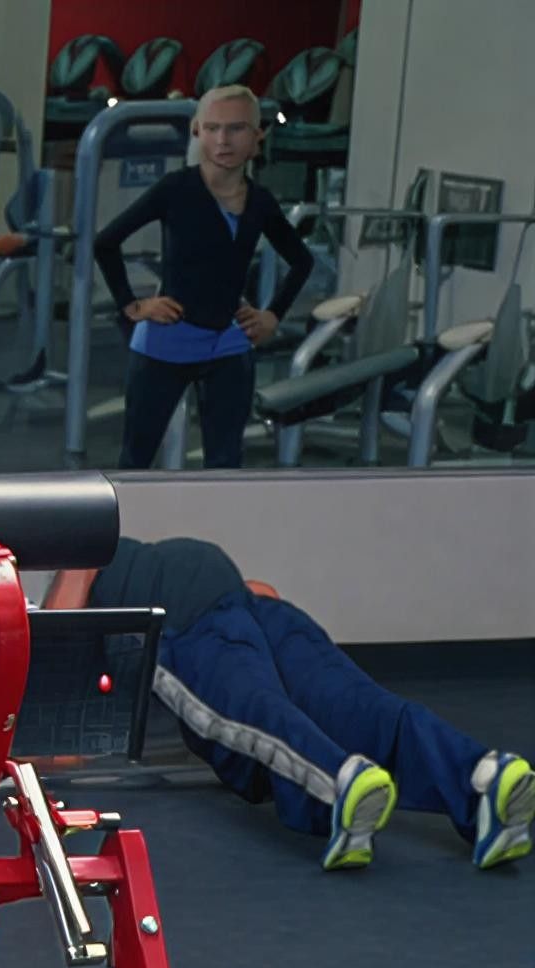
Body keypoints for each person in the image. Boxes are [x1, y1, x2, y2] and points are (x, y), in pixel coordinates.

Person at [53, 535, 530, 869]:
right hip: (251, 602)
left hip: (191, 621)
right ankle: (482, 778)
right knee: (360, 706)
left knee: (252, 715)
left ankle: (338, 785)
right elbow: (265, 591)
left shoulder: (80, 575)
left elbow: (57, 739)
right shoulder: (140, 559)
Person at [94, 84, 312, 470]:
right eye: (213, 128)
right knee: (136, 460)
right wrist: (133, 306)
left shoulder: (260, 201)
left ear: (257, 136)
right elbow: (105, 243)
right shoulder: (175, 189)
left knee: (225, 463)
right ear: (198, 131)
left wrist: (272, 315)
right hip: (166, 341)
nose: (223, 140)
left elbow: (301, 261)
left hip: (228, 344)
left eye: (236, 129)